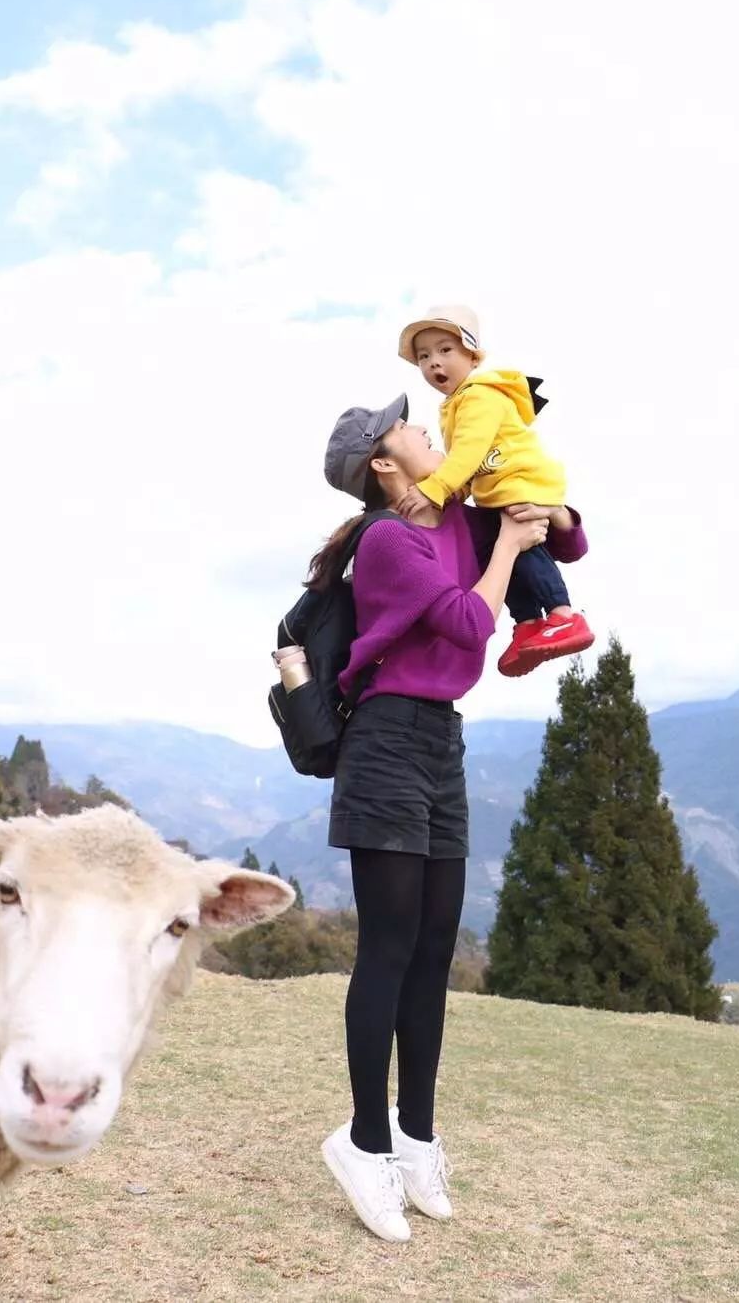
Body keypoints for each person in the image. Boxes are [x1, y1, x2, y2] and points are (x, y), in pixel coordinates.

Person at [314, 393, 588, 1242]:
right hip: (388, 742)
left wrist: (543, 513)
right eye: (407, 427)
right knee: (390, 948)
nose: (427, 426)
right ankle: (363, 1143)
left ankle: (416, 1134)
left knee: (434, 950)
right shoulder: (390, 541)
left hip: (441, 743)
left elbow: (568, 539)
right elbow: (471, 623)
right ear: (384, 465)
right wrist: (506, 542)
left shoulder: (459, 519)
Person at [395, 303, 594, 677]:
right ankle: (528, 625)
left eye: (445, 350)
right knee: (502, 555)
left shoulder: (479, 396)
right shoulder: (455, 404)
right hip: (498, 486)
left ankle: (563, 615)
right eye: (423, 356)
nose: (433, 362)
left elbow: (468, 452)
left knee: (522, 542)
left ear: (473, 356)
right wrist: (460, 490)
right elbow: (470, 460)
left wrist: (436, 488)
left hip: (520, 481)